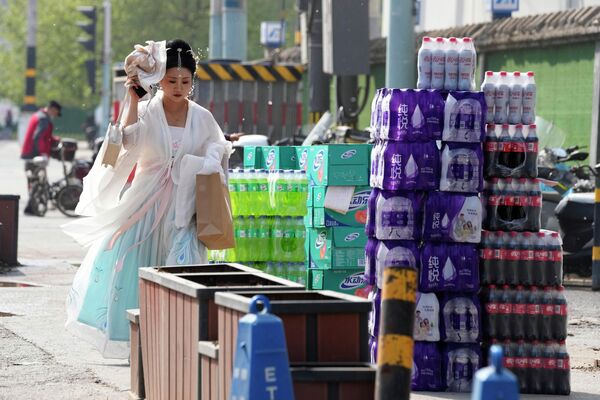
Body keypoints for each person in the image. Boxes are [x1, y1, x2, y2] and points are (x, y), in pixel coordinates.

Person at [63, 39, 231, 358]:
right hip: (146, 201)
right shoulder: (149, 111)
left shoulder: (202, 117)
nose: (179, 87)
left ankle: (175, 339)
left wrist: (210, 157)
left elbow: (218, 145)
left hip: (184, 206)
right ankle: (136, 335)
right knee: (131, 262)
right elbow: (127, 141)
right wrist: (132, 97)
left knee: (179, 269)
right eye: (171, 81)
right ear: (160, 81)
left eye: (185, 81)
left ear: (193, 82)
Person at [20, 100, 62, 215]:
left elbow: (46, 136)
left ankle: (31, 207)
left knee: (35, 180)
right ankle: (30, 207)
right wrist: (42, 153)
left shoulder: (38, 115)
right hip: (34, 153)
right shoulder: (43, 119)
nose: (55, 115)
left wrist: (54, 140)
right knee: (37, 181)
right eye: (56, 112)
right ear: (52, 109)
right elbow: (39, 137)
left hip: (29, 152)